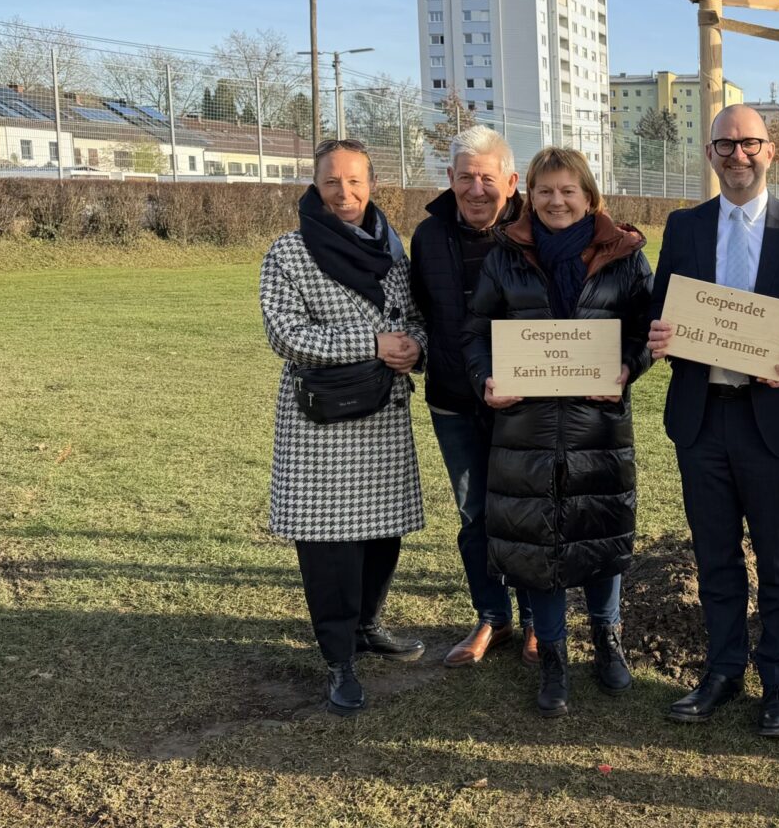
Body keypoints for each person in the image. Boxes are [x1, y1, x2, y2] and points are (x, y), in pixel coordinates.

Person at [647, 105, 779, 738]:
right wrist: (661, 336)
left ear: (772, 151)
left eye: (750, 143)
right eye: (726, 145)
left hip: (772, 421)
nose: (738, 155)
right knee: (714, 554)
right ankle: (723, 670)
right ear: (711, 153)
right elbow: (663, 309)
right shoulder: (683, 228)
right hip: (701, 417)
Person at [461, 147, 653, 718]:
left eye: (568, 190)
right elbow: (476, 332)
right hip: (525, 425)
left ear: (590, 196)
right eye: (545, 190)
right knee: (537, 538)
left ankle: (606, 639)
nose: (555, 201)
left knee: (599, 531)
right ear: (530, 196)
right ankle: (553, 656)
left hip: (598, 423)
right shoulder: (506, 256)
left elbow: (647, 330)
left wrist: (626, 368)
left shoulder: (625, 256)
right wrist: (486, 379)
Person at [259, 138, 427, 715]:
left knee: (383, 533)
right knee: (330, 546)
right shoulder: (288, 252)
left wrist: (414, 350)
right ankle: (338, 658)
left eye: (355, 181)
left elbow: (414, 321)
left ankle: (366, 625)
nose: (345, 192)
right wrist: (375, 343)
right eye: (332, 181)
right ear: (315, 185)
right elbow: (287, 335)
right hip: (321, 421)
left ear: (372, 183)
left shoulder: (392, 249)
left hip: (382, 416)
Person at [410, 126, 538, 669]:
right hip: (454, 401)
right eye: (467, 177)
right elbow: (418, 310)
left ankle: (537, 621)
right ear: (450, 179)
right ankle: (493, 617)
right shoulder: (427, 236)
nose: (477, 188)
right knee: (474, 514)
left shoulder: (538, 231)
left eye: (488, 177)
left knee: (529, 512)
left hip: (525, 401)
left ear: (511, 181)